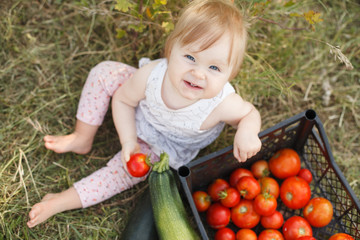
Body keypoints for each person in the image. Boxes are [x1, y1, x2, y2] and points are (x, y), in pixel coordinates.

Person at [27, 0, 262, 228]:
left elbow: (249, 113)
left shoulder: (221, 103)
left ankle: (63, 200)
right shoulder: (152, 75)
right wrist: (128, 140)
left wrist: (247, 131)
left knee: (122, 173)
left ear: (230, 74)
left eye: (214, 68)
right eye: (190, 57)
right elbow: (123, 100)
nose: (198, 74)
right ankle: (82, 137)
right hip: (144, 112)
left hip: (166, 147)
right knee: (105, 73)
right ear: (171, 49)